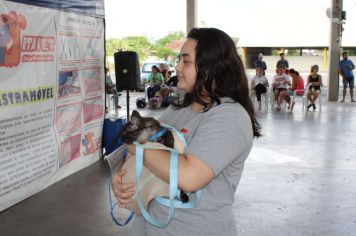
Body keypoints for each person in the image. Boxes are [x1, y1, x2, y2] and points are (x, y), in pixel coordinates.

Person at [112, 27, 261, 236]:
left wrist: (136, 146)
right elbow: (134, 152)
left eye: (186, 61)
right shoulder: (176, 110)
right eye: (178, 60)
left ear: (211, 66)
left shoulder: (230, 117)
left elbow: (189, 177)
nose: (178, 66)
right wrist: (120, 180)